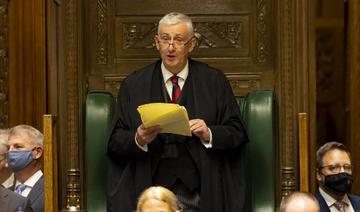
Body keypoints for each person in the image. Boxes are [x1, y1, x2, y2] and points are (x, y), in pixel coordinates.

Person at [107, 11, 248, 212]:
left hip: (200, 192)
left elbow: (237, 133)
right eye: (165, 39)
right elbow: (114, 142)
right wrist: (138, 138)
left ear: (191, 45)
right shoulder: (133, 85)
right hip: (150, 193)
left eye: (178, 40)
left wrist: (209, 133)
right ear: (156, 42)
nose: (171, 46)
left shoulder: (214, 82)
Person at [6, 125, 44, 212]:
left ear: (37, 152)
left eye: (18, 146)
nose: (10, 151)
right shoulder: (6, 192)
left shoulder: (50, 190)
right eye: (8, 148)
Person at [316, 141, 360, 211]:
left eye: (347, 167)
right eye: (334, 168)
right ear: (318, 174)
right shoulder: (310, 207)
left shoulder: (358, 203)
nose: (342, 172)